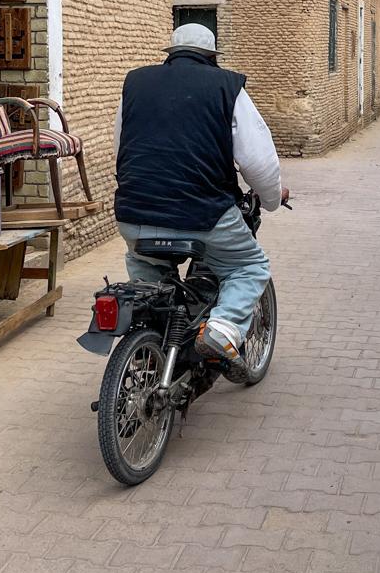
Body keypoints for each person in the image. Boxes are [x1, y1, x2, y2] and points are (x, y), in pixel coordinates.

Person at [111, 23, 288, 380]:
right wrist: (272, 198)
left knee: (146, 268)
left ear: (170, 54)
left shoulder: (134, 84)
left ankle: (153, 342)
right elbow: (257, 161)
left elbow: (121, 148)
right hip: (203, 214)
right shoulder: (227, 86)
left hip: (134, 211)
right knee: (248, 267)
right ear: (211, 57)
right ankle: (222, 328)